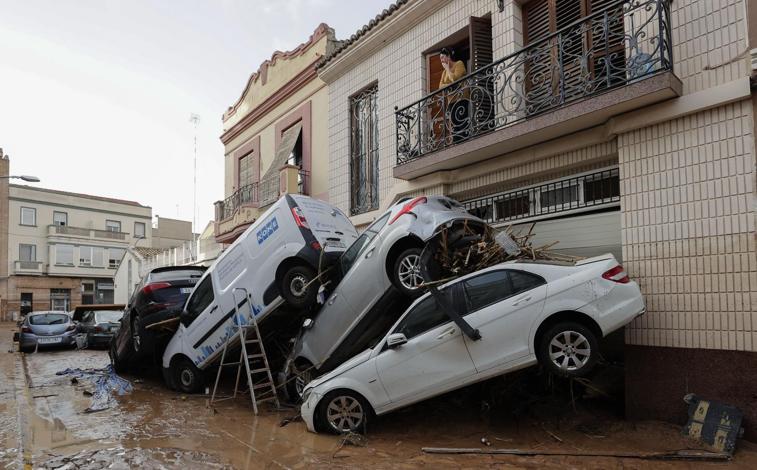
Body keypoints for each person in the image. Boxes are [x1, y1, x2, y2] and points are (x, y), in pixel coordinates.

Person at [438, 47, 469, 143]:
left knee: (461, 121)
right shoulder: (443, 72)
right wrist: (450, 84)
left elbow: (455, 79)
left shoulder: (459, 64)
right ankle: (456, 142)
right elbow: (440, 86)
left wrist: (447, 69)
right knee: (454, 123)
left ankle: (463, 141)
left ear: (449, 56)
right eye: (440, 59)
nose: (442, 60)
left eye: (443, 57)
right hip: (451, 100)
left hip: (461, 97)